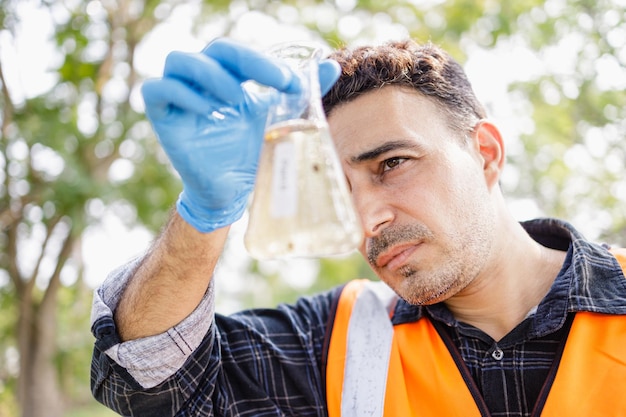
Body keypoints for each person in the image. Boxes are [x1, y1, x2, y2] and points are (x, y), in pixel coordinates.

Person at [90, 37, 626, 417]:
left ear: (484, 152)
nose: (368, 220)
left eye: (392, 164)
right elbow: (153, 383)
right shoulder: (334, 343)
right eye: (340, 191)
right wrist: (203, 215)